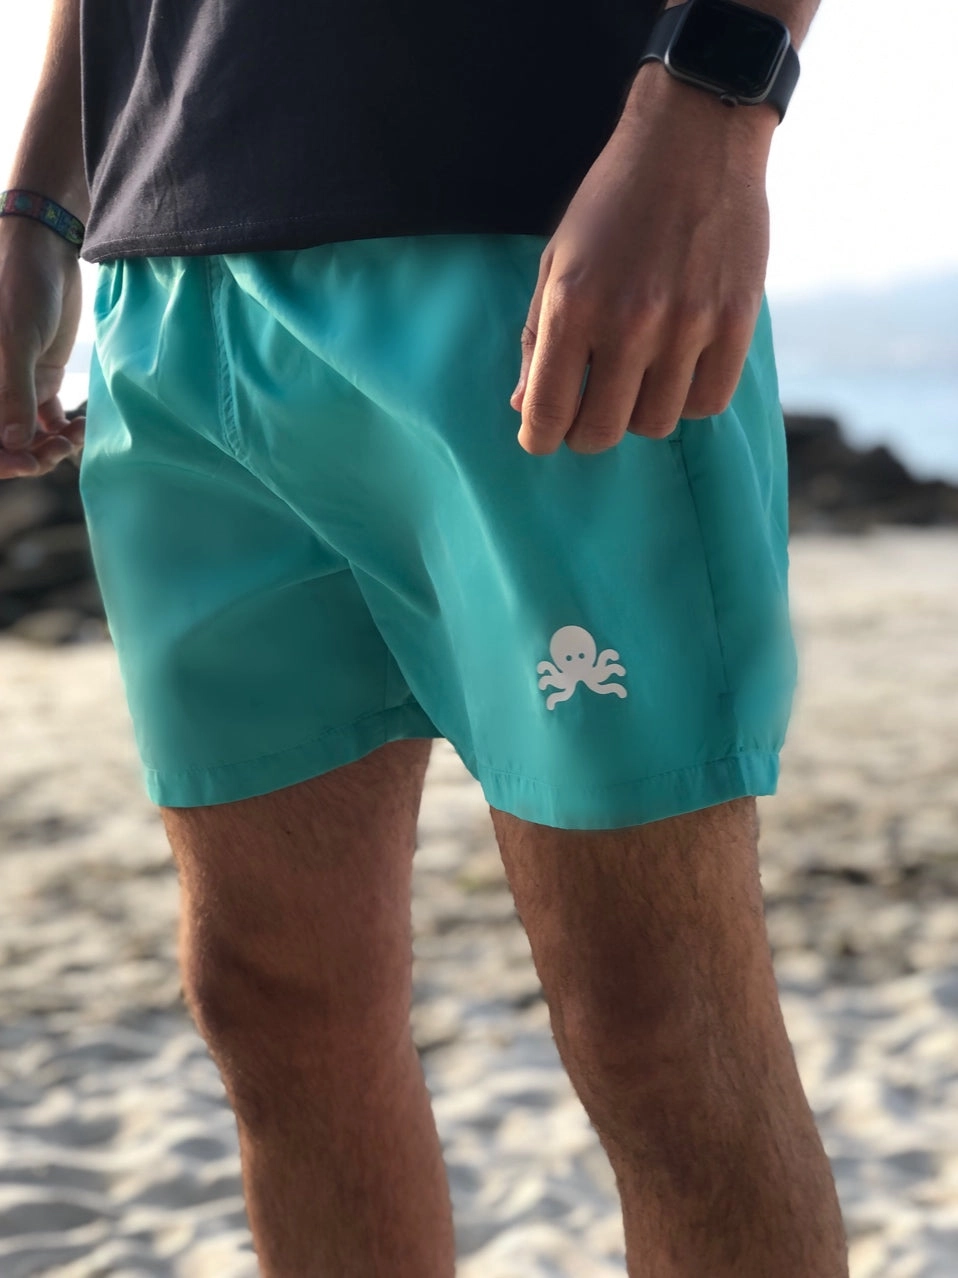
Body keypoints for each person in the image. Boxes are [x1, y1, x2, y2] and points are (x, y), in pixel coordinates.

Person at [0, 1, 849, 1273]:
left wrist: (717, 99)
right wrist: (35, 210)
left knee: (658, 1024)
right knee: (269, 1000)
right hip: (165, 281)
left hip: (534, 236)